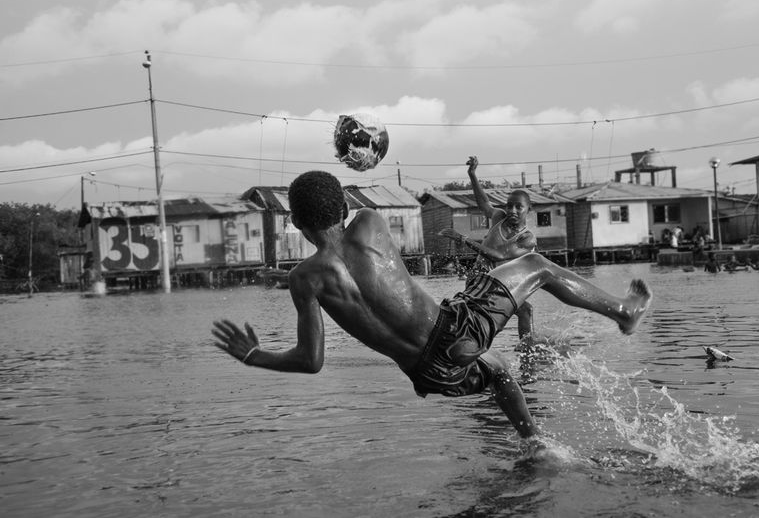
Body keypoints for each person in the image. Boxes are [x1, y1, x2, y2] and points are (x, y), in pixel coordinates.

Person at [212, 171, 652, 445]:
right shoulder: (369, 223)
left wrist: (255, 356)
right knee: (535, 265)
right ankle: (623, 312)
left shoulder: (304, 279)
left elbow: (311, 362)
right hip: (454, 331)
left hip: (426, 372)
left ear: (294, 223)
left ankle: (536, 447)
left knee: (499, 370)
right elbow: (354, 227)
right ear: (345, 207)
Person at [438, 156, 538, 342]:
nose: (513, 211)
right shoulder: (499, 217)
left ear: (528, 209)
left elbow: (500, 255)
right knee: (518, 312)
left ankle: (527, 350)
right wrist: (472, 174)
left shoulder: (527, 238)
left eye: (519, 207)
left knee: (526, 311)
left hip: (501, 283)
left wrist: (462, 238)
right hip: (480, 278)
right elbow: (483, 202)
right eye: (509, 206)